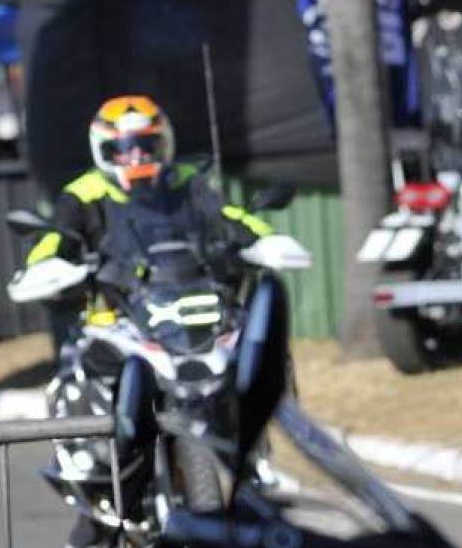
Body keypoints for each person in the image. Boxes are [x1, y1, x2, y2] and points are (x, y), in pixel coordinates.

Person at [17, 95, 281, 357]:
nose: (136, 156)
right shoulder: (84, 191)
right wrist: (44, 263)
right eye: (124, 149)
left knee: (251, 345)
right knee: (90, 361)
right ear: (105, 151)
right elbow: (56, 233)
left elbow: (226, 213)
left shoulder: (185, 180)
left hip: (193, 302)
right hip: (116, 317)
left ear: (163, 144)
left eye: (146, 146)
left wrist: (264, 240)